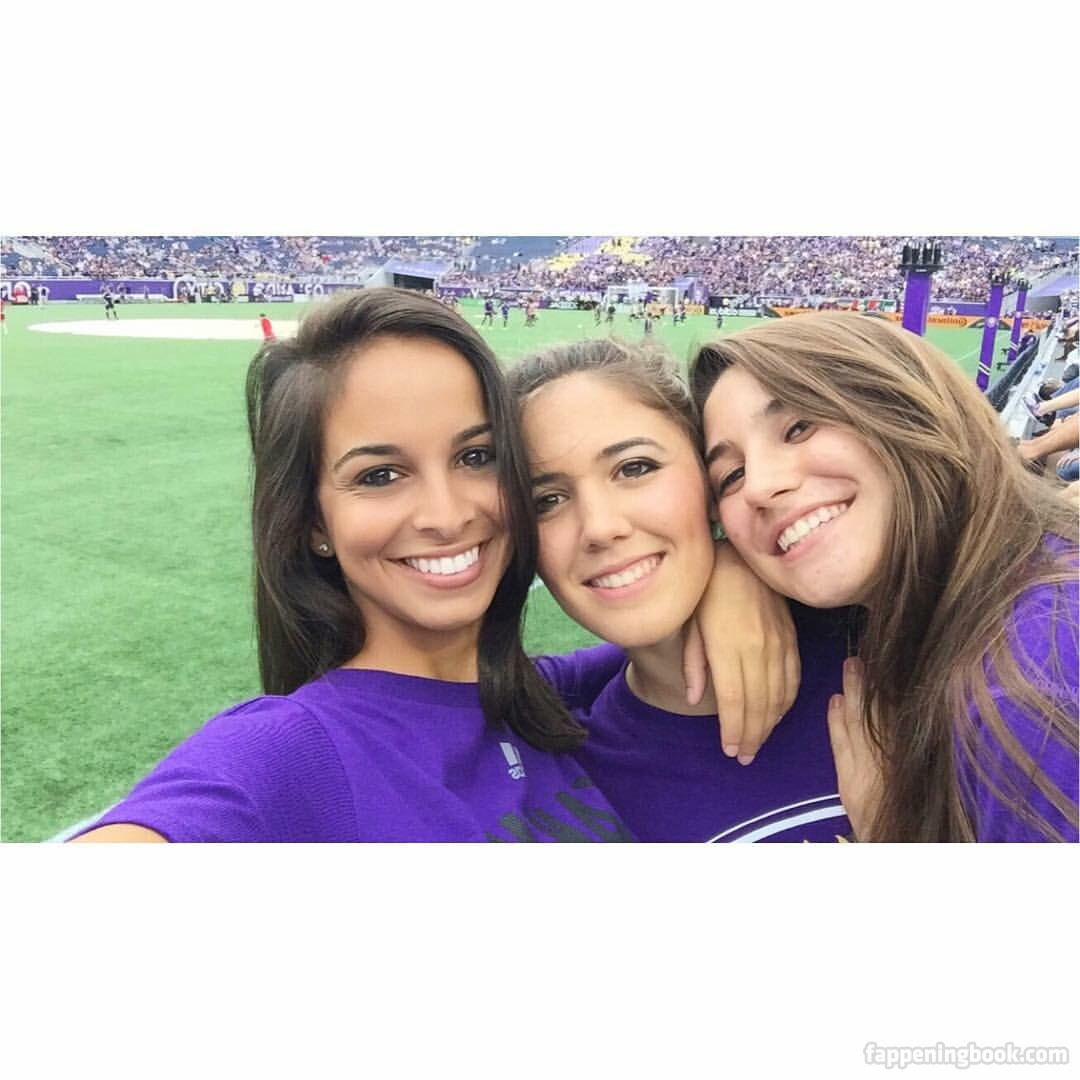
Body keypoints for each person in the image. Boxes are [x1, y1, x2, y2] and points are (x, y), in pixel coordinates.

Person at [71, 288, 633, 842]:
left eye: (475, 456)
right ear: (315, 524)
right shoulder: (289, 753)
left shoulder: (549, 696)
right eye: (379, 475)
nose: (446, 516)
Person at [690, 311, 1079, 842]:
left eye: (799, 427)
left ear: (907, 406)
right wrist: (725, 570)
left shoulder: (1037, 675)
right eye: (730, 476)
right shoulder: (998, 589)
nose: (758, 486)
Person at [510, 339, 850, 842]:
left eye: (635, 468)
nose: (600, 527)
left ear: (710, 483)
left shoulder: (875, 639)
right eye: (548, 500)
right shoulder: (568, 785)